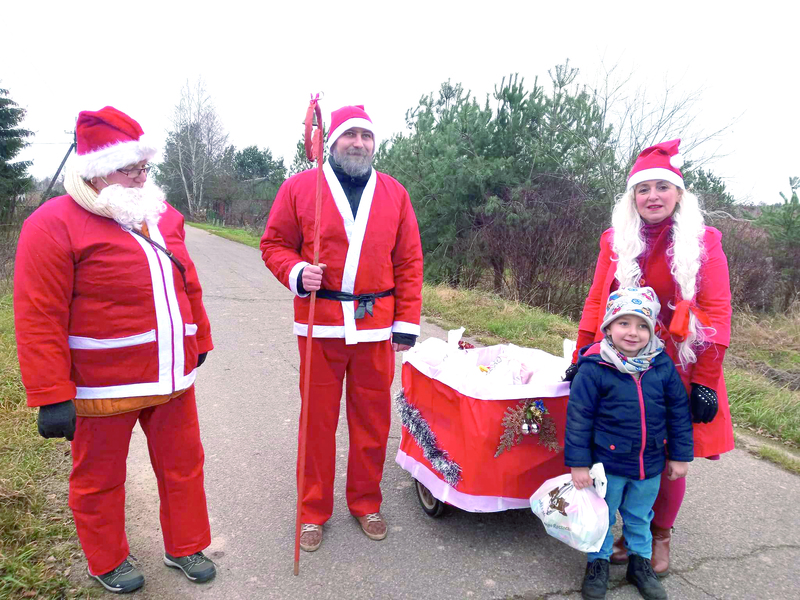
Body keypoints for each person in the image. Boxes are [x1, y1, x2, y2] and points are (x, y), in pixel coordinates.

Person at [14, 106, 216, 593]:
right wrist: (50, 393)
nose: (141, 178)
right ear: (97, 169)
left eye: (144, 168)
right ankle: (106, 558)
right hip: (102, 384)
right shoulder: (52, 223)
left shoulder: (161, 214)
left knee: (184, 466)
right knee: (100, 478)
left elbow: (187, 282)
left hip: (171, 377)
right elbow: (38, 314)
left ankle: (185, 544)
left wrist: (199, 338)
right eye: (131, 169)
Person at [567, 139, 733, 574]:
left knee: (669, 457)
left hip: (679, 362)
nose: (653, 196)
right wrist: (584, 349)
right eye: (643, 189)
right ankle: (622, 531)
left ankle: (659, 537)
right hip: (619, 354)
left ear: (678, 193)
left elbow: (716, 314)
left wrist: (706, 382)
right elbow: (596, 300)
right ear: (632, 197)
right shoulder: (614, 240)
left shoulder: (705, 242)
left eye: (662, 187)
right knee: (618, 447)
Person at [261, 104, 423, 552]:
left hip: (376, 326)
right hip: (321, 324)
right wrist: (296, 272)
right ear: (330, 141)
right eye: (350, 135)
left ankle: (366, 502)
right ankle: (313, 510)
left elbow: (409, 260)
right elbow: (274, 244)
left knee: (373, 422)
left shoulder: (395, 193)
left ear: (374, 144)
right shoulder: (299, 187)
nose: (358, 143)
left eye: (366, 137)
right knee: (317, 423)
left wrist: (407, 322)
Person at [565, 287, 694, 600]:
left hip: (649, 464)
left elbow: (678, 413)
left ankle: (640, 563)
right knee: (604, 516)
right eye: (624, 323)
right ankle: (598, 563)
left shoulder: (661, 365)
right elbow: (579, 418)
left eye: (641, 325)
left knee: (640, 516)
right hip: (607, 466)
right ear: (608, 327)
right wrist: (578, 463)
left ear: (651, 330)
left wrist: (679, 456)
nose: (632, 333)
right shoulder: (595, 367)